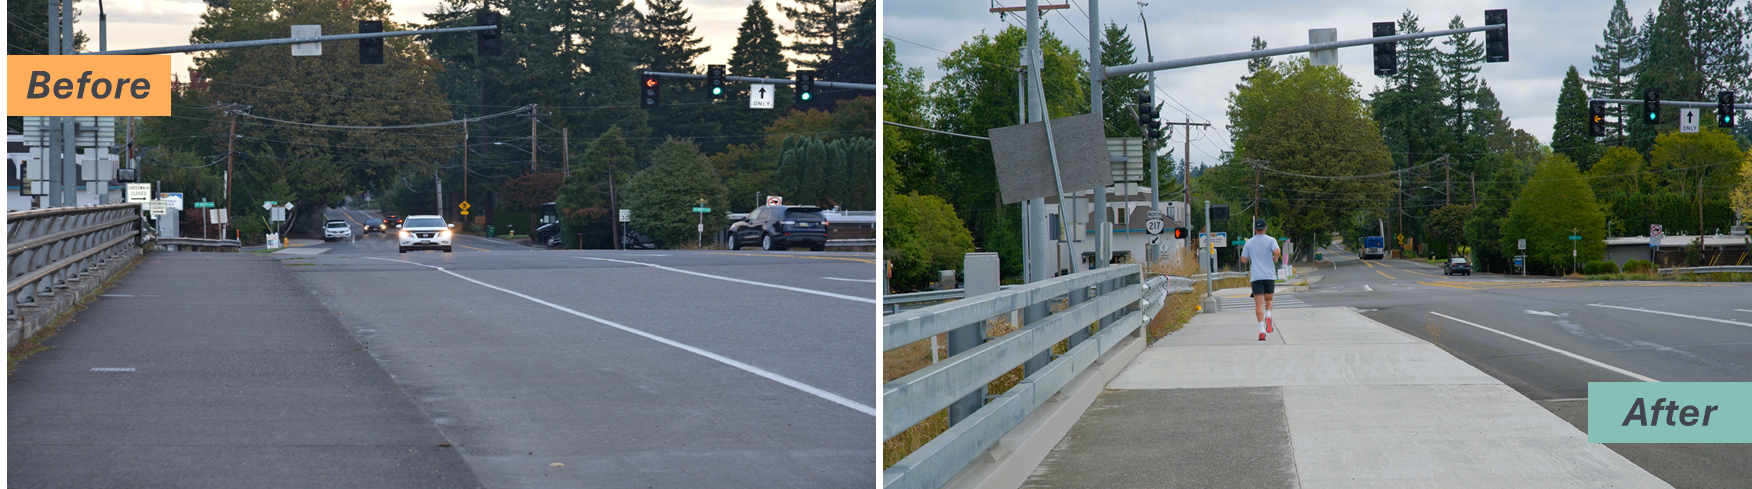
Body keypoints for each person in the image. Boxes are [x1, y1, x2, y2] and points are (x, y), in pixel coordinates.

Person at [1239, 218, 1282, 341]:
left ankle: (1261, 330)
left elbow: (1243, 259)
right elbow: (1277, 251)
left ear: (1255, 229)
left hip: (1256, 276)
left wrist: (1250, 257)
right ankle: (1268, 315)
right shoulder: (1271, 240)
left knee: (1258, 304)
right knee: (1269, 299)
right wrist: (1275, 257)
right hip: (1269, 275)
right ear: (1265, 228)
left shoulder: (1249, 243)